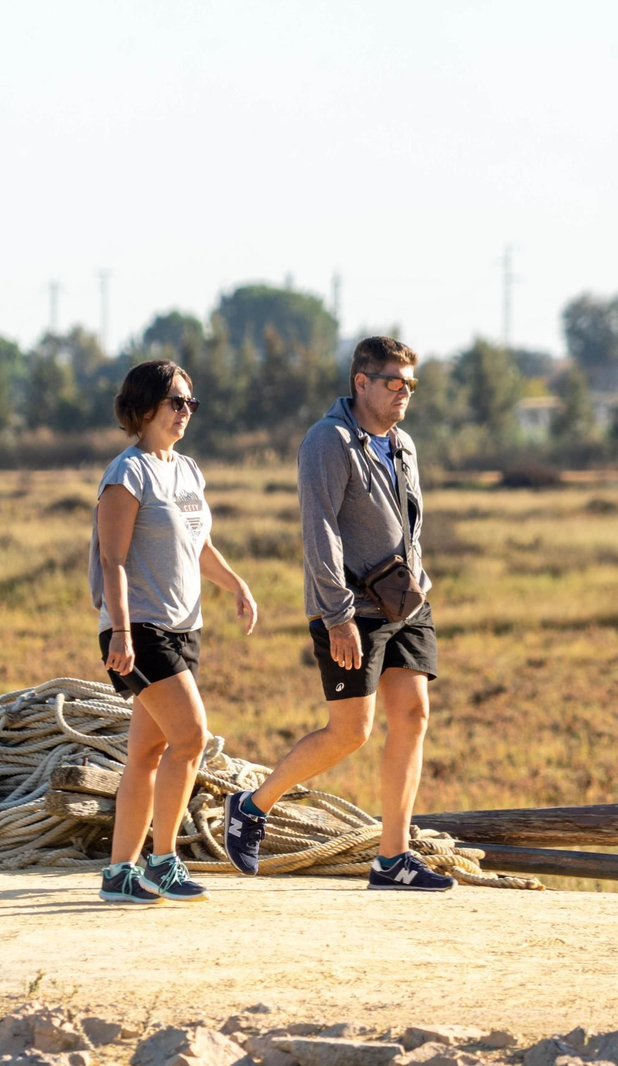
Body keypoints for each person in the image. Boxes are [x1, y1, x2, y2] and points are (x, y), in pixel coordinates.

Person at [223, 336, 454, 892]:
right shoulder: (328, 441)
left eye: (410, 384)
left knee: (415, 715)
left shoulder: (403, 445)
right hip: (350, 607)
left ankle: (392, 858)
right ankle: (253, 806)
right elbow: (319, 529)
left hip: (405, 603)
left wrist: (418, 577)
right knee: (351, 731)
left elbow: (413, 523)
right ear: (361, 383)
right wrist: (337, 616)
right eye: (393, 382)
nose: (404, 393)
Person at [89, 359, 257, 903]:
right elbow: (112, 559)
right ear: (143, 409)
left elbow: (199, 545)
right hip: (139, 628)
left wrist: (236, 585)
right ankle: (162, 862)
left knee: (148, 754)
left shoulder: (186, 471)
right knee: (192, 738)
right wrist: (119, 633)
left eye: (191, 403)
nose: (186, 412)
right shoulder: (127, 473)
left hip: (185, 627)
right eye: (175, 402)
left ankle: (119, 874)